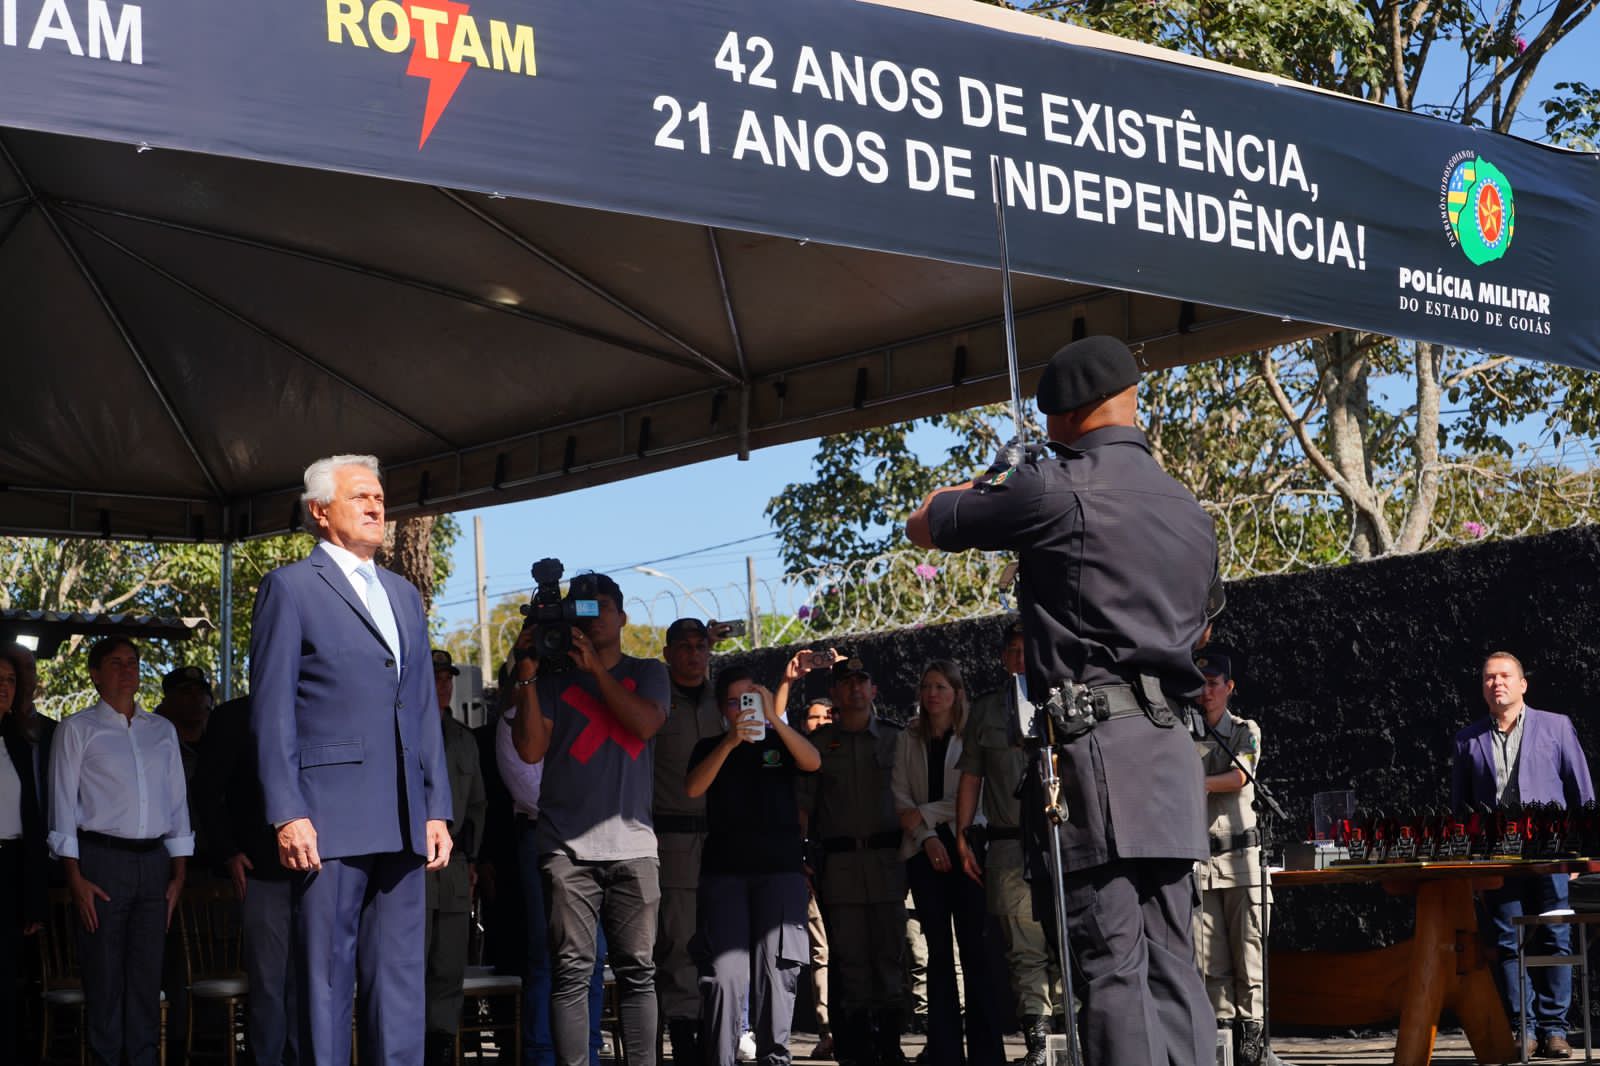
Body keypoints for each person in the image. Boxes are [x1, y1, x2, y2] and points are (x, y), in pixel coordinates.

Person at [907, 334, 1217, 1066]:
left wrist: (999, 474)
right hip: (1171, 753)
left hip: (1096, 754)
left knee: (1111, 964)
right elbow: (1201, 627)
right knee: (1176, 964)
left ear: (1065, 414)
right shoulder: (1189, 510)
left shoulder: (1053, 485)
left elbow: (925, 520)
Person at [251, 453, 454, 1066]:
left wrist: (436, 806)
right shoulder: (289, 587)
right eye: (360, 497)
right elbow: (271, 710)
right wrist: (287, 810)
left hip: (403, 817)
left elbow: (422, 710)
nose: (375, 507)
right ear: (319, 511)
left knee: (399, 986)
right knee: (327, 983)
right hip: (327, 817)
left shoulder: (403, 594)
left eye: (380, 499)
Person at [507, 571, 669, 1066]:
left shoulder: (648, 671)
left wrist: (597, 672)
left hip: (634, 846)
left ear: (622, 616)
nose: (592, 618)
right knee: (573, 972)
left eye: (601, 608)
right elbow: (530, 748)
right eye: (582, 610)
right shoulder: (553, 682)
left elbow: (644, 724)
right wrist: (527, 672)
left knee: (638, 971)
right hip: (566, 851)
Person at [49, 636, 193, 1066]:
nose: (127, 670)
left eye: (132, 662)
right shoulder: (77, 729)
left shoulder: (161, 730)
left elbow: (177, 803)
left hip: (155, 863)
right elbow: (61, 805)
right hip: (101, 863)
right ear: (95, 674)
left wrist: (179, 873)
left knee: (148, 979)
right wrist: (74, 876)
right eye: (115, 663)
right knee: (105, 978)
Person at [1452, 651, 1594, 1061]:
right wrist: (1472, 864)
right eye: (1488, 678)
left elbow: (1582, 794)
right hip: (1495, 857)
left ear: (1522, 684)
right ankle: (1524, 1028)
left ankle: (1554, 1029)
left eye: (1504, 676)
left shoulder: (1556, 727)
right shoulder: (1467, 740)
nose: (1496, 683)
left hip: (1551, 855)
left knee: (1556, 936)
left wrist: (1577, 859)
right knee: (1506, 939)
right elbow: (1461, 810)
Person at [686, 664, 821, 1066]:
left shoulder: (780, 743)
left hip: (779, 872)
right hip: (724, 875)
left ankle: (775, 1058)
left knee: (777, 975)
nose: (745, 708)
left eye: (752, 698)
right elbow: (693, 788)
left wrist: (774, 720)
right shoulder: (710, 746)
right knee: (725, 977)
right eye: (736, 701)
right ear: (722, 708)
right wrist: (729, 742)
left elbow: (812, 761)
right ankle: (721, 1058)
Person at [492, 672, 610, 1066]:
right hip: (540, 837)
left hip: (590, 838)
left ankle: (589, 1051)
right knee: (547, 951)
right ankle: (542, 1055)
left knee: (593, 953)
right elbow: (527, 790)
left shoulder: (582, 713)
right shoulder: (512, 719)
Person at [955, 622, 1059, 1066]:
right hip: (1010, 844)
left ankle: (1075, 1038)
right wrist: (961, 835)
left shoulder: (1063, 701)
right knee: (1024, 948)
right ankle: (1039, 1043)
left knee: (1070, 942)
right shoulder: (986, 710)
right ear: (1003, 657)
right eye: (1013, 651)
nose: (1021, 659)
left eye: (1028, 650)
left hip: (1062, 842)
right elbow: (971, 777)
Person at [797, 655, 907, 1066]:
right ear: (835, 694)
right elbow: (803, 807)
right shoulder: (821, 746)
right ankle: (858, 1050)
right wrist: (800, 854)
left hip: (888, 862)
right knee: (850, 963)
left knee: (890, 959)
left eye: (862, 681)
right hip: (840, 867)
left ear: (874, 690)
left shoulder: (897, 739)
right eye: (846, 683)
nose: (855, 689)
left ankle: (891, 1046)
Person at [891, 660, 1002, 1066]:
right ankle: (944, 1049)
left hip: (969, 849)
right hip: (923, 853)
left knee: (975, 951)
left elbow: (972, 796)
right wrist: (927, 837)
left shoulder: (975, 733)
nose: (932, 694)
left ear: (957, 692)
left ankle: (987, 1053)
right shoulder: (908, 736)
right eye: (926, 686)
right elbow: (900, 799)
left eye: (940, 686)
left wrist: (928, 817)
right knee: (938, 953)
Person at [194, 694, 300, 1066]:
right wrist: (228, 851)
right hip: (262, 868)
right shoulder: (234, 715)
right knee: (270, 985)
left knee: (314, 983)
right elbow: (207, 790)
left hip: (322, 872)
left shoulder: (318, 704)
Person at [1191, 651, 1271, 1066]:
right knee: (1211, 963)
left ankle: (1253, 1041)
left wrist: (1197, 781)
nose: (1205, 691)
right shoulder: (1184, 733)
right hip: (1202, 864)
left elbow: (1241, 775)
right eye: (1200, 682)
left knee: (1249, 955)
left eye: (1213, 682)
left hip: (1241, 859)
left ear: (1229, 687)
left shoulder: (1244, 730)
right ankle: (1223, 1042)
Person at [653, 618, 727, 1064]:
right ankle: (684, 1044)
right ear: (667, 654)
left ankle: (718, 1037)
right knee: (679, 947)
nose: (694, 654)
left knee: (723, 947)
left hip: (721, 840)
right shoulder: (657, 702)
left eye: (701, 646)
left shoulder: (722, 703)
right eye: (684, 647)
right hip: (672, 839)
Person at [426, 649, 488, 1066]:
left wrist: (474, 861)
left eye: (448, 677)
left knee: (449, 966)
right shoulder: (402, 733)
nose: (444, 684)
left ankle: (441, 1045)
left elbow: (478, 805)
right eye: (435, 678)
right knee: (409, 966)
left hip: (454, 866)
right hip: (410, 866)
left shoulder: (465, 738)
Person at [0, 645, 47, 1066]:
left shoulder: (18, 744)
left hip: (11, 869)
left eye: (11, 680)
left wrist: (33, 895)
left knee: (9, 982)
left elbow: (32, 824)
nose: (4, 688)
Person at [798, 698, 836, 1060]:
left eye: (829, 715)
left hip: (848, 863)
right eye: (815, 716)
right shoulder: (796, 760)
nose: (822, 722)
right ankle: (829, 1031)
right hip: (810, 865)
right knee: (820, 951)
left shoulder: (842, 751)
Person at [155, 665, 213, 782]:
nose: (196, 698)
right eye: (186, 692)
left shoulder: (221, 739)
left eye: (202, 691)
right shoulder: (153, 742)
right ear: (167, 702)